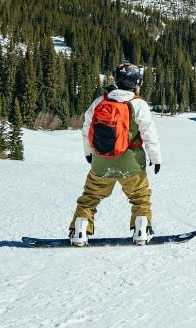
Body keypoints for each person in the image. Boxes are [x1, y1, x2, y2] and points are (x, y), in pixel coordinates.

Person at [68, 63, 162, 246]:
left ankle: (80, 230)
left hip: (101, 162)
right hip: (131, 163)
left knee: (90, 197)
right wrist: (156, 158)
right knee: (140, 196)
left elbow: (86, 130)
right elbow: (149, 134)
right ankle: (141, 230)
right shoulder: (138, 105)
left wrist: (89, 154)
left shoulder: (99, 102)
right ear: (136, 83)